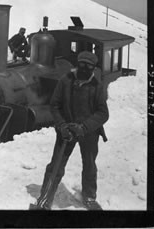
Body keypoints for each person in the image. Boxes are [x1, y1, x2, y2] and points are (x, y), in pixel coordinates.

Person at [35, 51, 109, 210]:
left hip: (88, 132)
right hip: (66, 130)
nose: (84, 68)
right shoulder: (66, 80)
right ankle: (44, 199)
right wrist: (62, 125)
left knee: (89, 165)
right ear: (77, 64)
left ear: (93, 68)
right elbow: (55, 105)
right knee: (56, 165)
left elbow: (103, 113)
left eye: (89, 66)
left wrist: (84, 127)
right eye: (82, 64)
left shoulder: (97, 86)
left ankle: (89, 197)